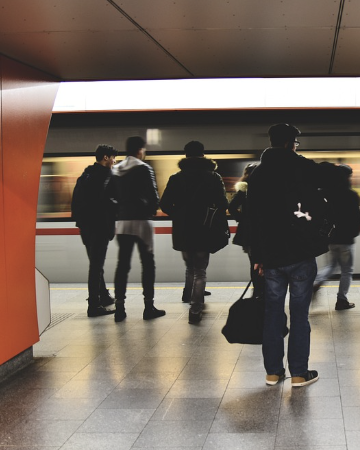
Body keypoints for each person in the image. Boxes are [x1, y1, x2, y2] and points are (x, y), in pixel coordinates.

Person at [248, 123, 325, 387]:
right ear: (290, 144)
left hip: (270, 257)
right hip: (301, 253)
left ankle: (273, 372)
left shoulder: (258, 174)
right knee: (300, 315)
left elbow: (253, 218)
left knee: (272, 314)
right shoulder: (301, 167)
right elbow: (324, 190)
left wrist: (257, 256)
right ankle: (299, 374)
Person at [160, 140, 228, 325]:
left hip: (183, 229)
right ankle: (195, 309)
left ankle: (188, 294)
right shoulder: (213, 177)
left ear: (186, 155)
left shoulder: (176, 178)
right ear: (203, 155)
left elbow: (164, 204)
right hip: (204, 229)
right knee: (200, 270)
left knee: (190, 267)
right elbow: (223, 204)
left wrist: (179, 215)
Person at [112, 136, 165, 322]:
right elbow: (153, 195)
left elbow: (110, 195)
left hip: (123, 223)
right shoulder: (144, 168)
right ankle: (148, 307)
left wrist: (120, 211)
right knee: (148, 264)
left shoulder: (116, 169)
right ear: (140, 150)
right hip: (142, 222)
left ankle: (119, 308)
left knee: (122, 265)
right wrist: (151, 210)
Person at [71, 144, 118, 317]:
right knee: (96, 266)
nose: (114, 161)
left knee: (96, 263)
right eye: (113, 158)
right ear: (105, 157)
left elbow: (75, 202)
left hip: (85, 227)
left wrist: (81, 222)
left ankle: (103, 296)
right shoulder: (106, 176)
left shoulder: (85, 176)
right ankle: (93, 305)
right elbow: (110, 202)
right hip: (100, 226)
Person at [313, 163, 360, 310]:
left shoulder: (328, 193)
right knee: (347, 270)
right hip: (346, 240)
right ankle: (341, 300)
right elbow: (357, 218)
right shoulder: (352, 195)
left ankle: (316, 282)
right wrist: (354, 233)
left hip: (332, 238)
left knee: (331, 266)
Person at [228, 162, 265, 298]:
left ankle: (257, 291)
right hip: (265, 232)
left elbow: (231, 207)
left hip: (248, 233)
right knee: (266, 263)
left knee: (254, 263)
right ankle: (264, 291)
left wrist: (242, 220)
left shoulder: (244, 189)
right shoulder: (266, 188)